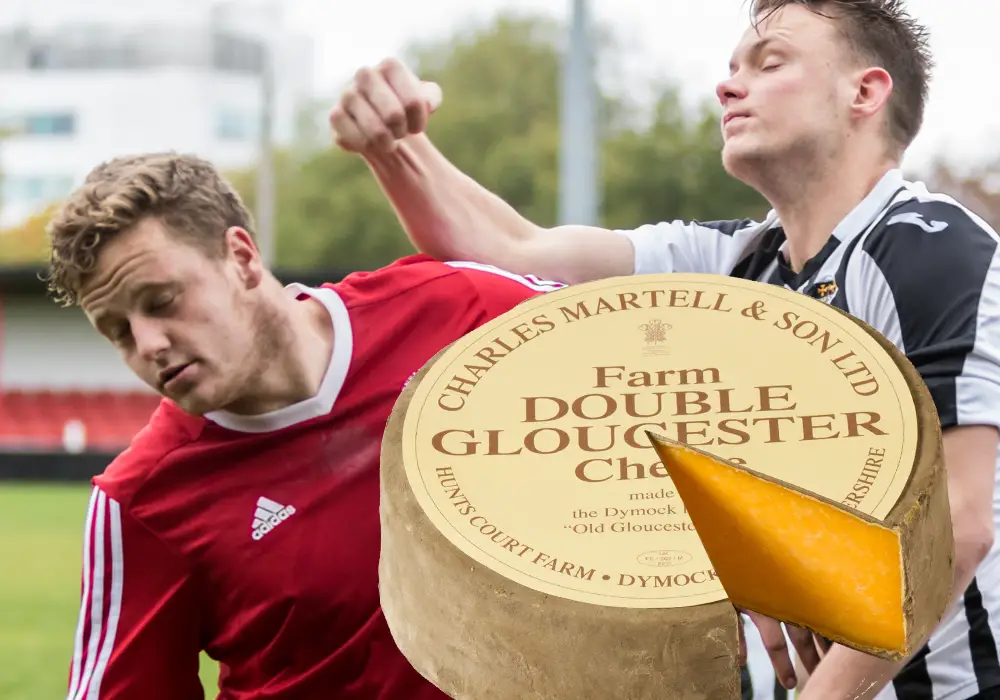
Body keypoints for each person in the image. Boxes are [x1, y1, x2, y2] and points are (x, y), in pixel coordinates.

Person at [329, 0, 1000, 699]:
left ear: (865, 91)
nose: (728, 85)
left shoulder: (930, 248)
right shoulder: (735, 262)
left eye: (770, 63)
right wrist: (393, 146)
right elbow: (510, 248)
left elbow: (957, 525)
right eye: (732, 68)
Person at [50, 151, 567, 699]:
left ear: (241, 258)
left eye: (161, 301)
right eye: (118, 332)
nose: (148, 344)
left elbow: (625, 361)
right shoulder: (143, 501)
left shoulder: (462, 310)